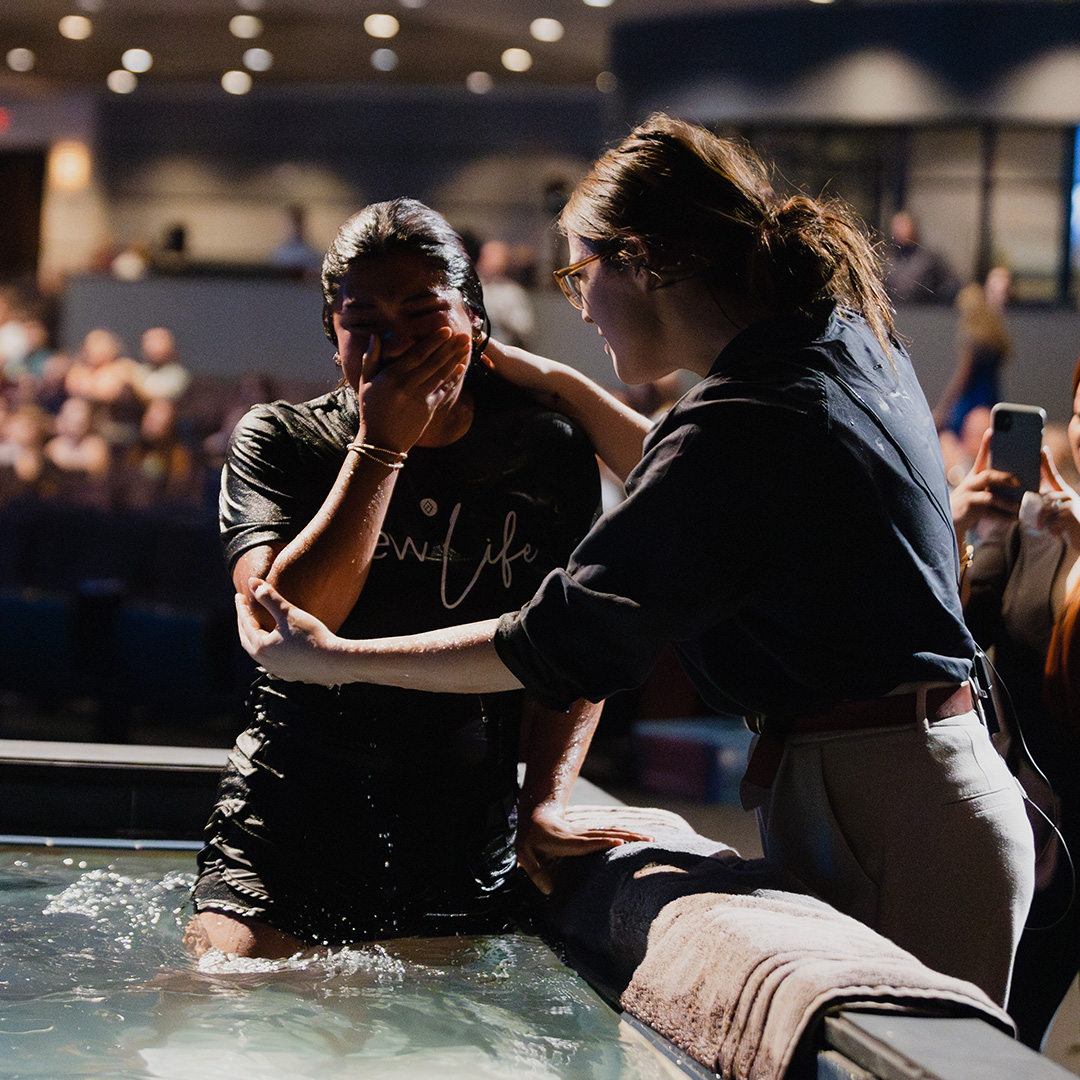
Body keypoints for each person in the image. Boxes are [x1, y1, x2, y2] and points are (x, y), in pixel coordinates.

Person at [234, 114, 1035, 1006]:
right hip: (907, 778)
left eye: (580, 274)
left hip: (892, 804)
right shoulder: (835, 336)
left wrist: (335, 659)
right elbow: (693, 483)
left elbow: (563, 636)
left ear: (642, 262)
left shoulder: (745, 421)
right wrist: (566, 387)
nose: (579, 305)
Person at [185, 198, 642, 959]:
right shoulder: (280, 438)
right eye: (362, 320)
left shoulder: (543, 452)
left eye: (424, 315)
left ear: (475, 325)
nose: (393, 342)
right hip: (286, 813)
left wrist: (543, 803)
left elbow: (574, 646)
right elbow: (286, 622)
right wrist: (380, 449)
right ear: (333, 335)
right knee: (228, 1000)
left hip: (459, 827)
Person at [951, 355, 1080, 1047]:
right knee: (1007, 1019)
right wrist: (962, 526)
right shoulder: (1043, 528)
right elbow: (957, 635)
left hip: (1068, 811)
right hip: (1030, 813)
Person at [933, 265, 1012, 436]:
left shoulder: (973, 339)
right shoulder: (995, 335)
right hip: (991, 397)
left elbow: (963, 376)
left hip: (971, 402)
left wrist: (943, 409)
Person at [882, 209, 959, 305]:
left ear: (913, 228)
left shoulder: (929, 259)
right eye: (896, 226)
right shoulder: (886, 261)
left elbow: (950, 285)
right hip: (897, 310)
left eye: (903, 225)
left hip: (925, 310)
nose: (899, 230)